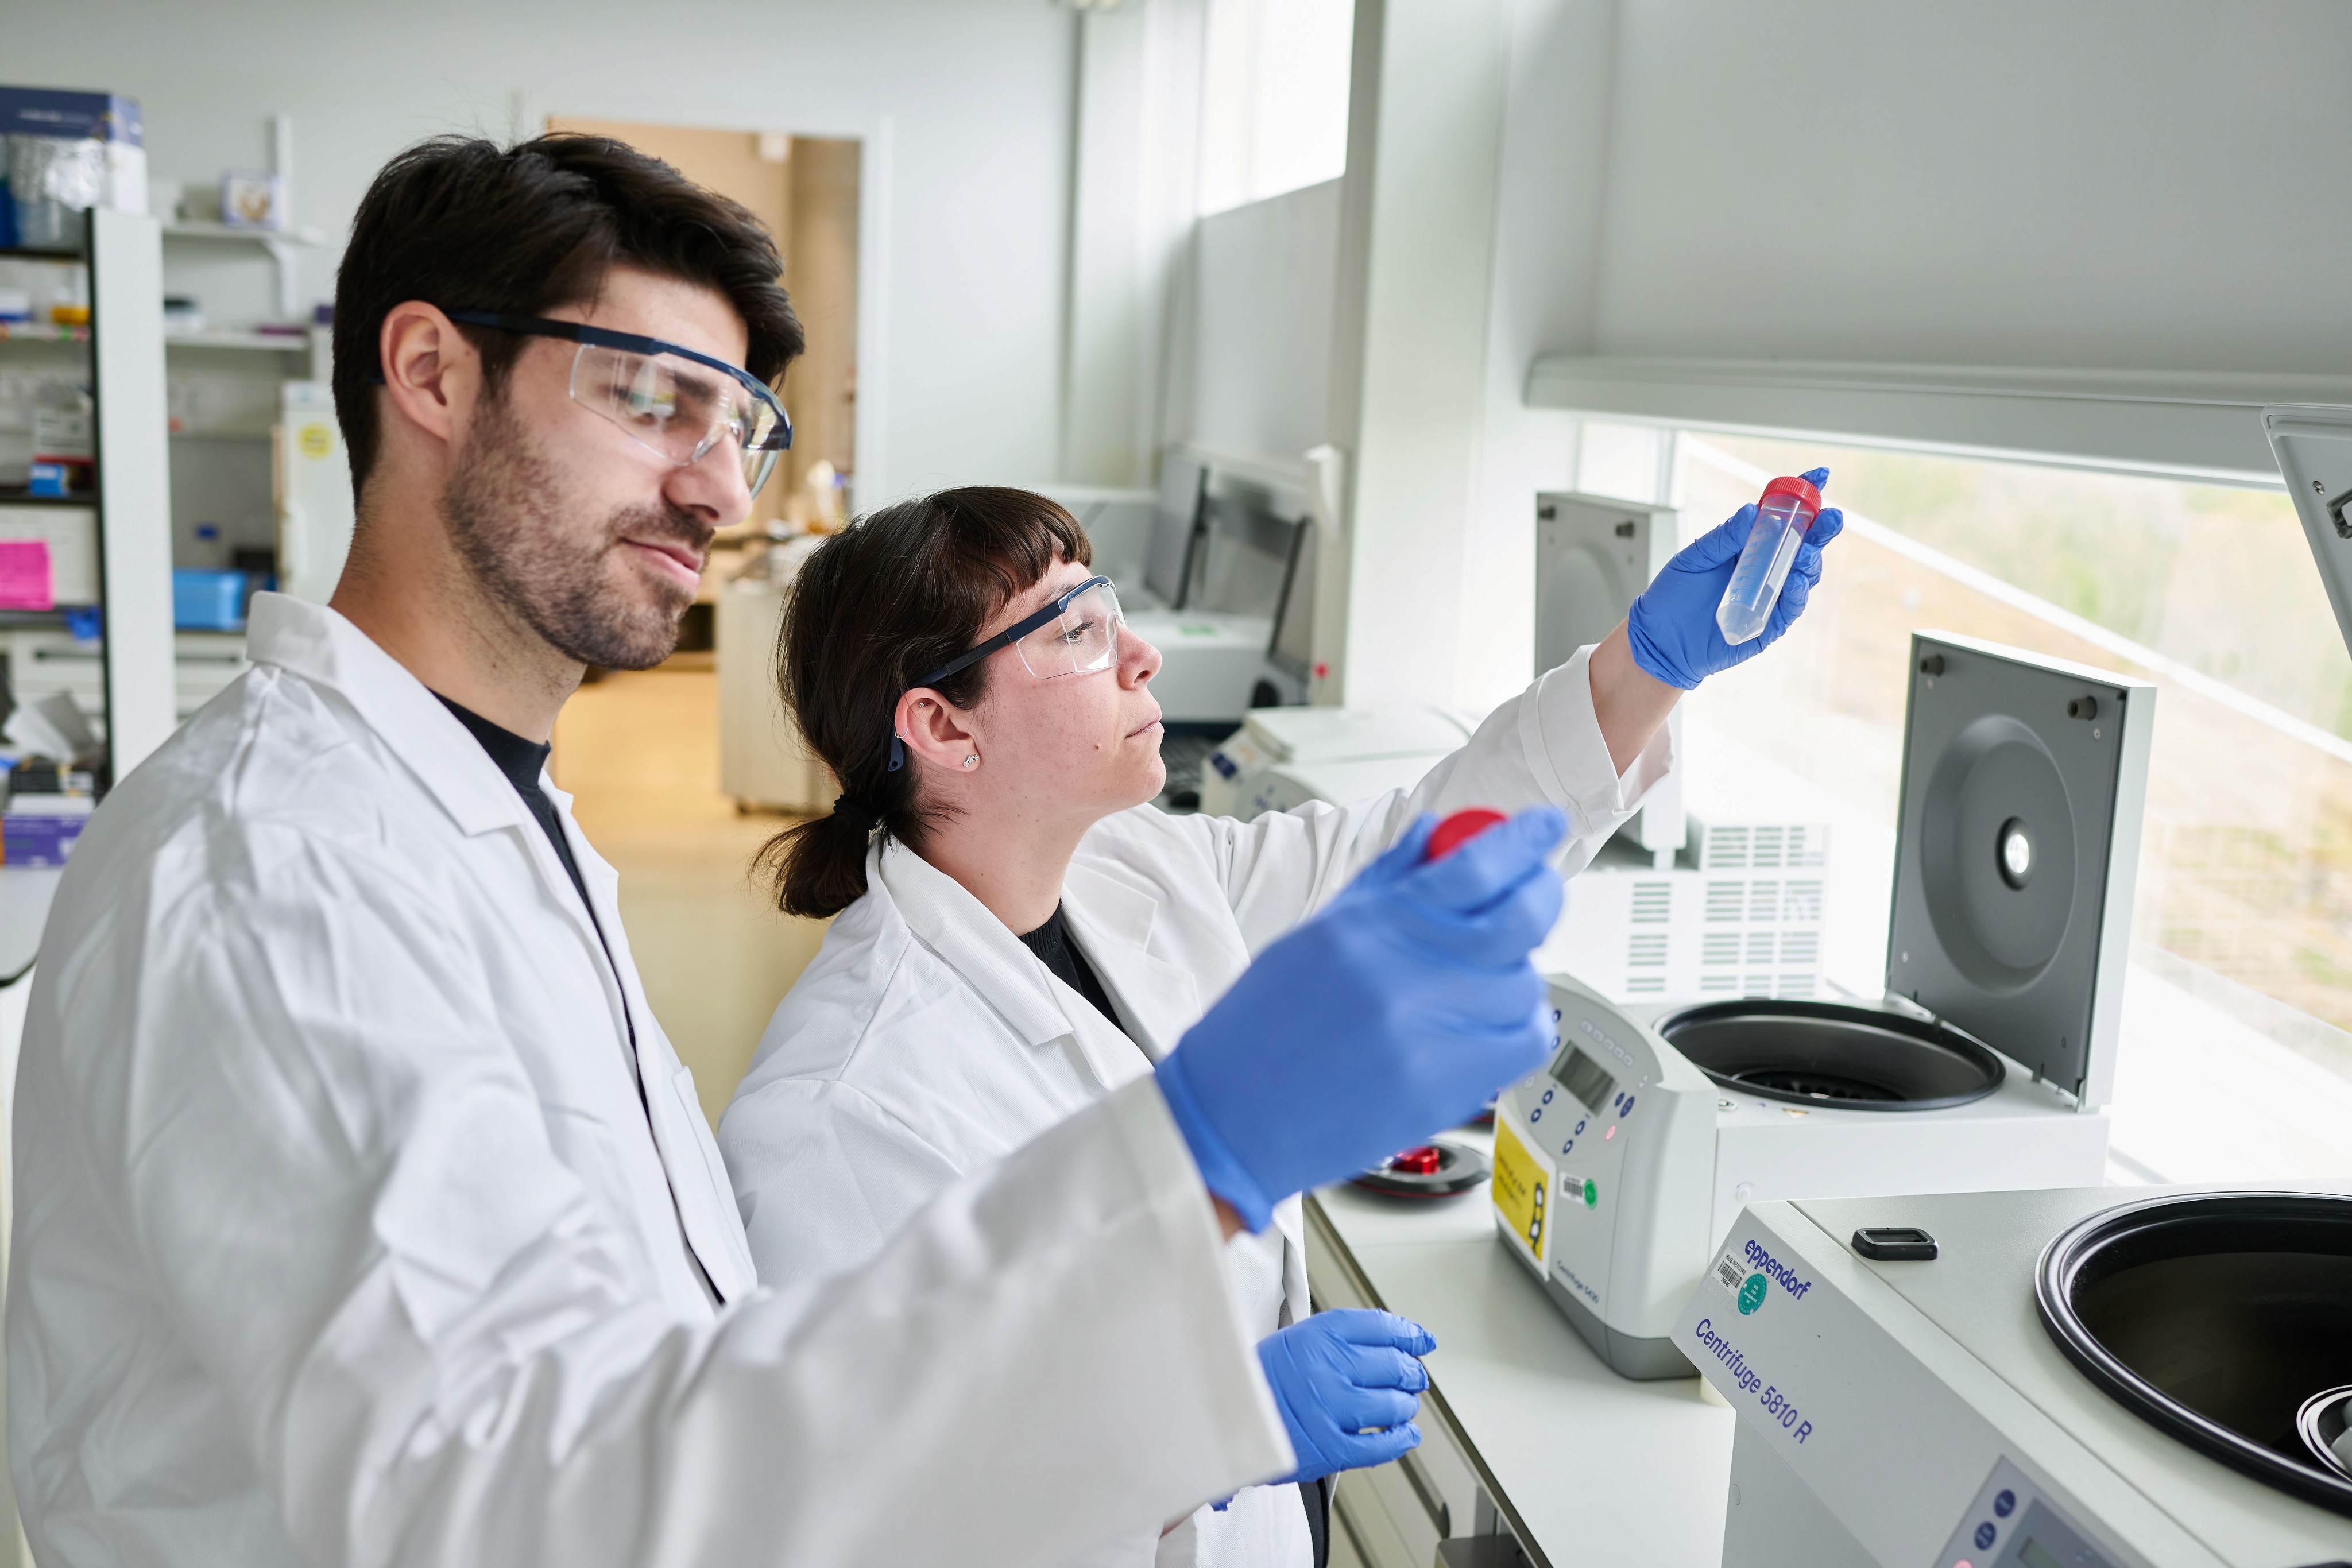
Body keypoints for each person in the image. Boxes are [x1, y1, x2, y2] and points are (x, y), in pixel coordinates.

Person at [4, 135, 1572, 1568]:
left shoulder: (492, 817)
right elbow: (503, 1497)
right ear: (429, 369)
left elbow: (677, 1373)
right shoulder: (285, 866)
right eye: (646, 398)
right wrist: (1192, 1187)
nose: (715, 482)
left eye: (736, 420)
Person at [715, 480, 1843, 1565]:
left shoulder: (1132, 867)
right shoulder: (835, 1112)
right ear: (942, 726)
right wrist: (1203, 1425)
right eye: (1074, 630)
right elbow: (877, 1511)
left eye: (1112, 608)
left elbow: (1410, 855)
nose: (1138, 652)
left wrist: (1637, 671)